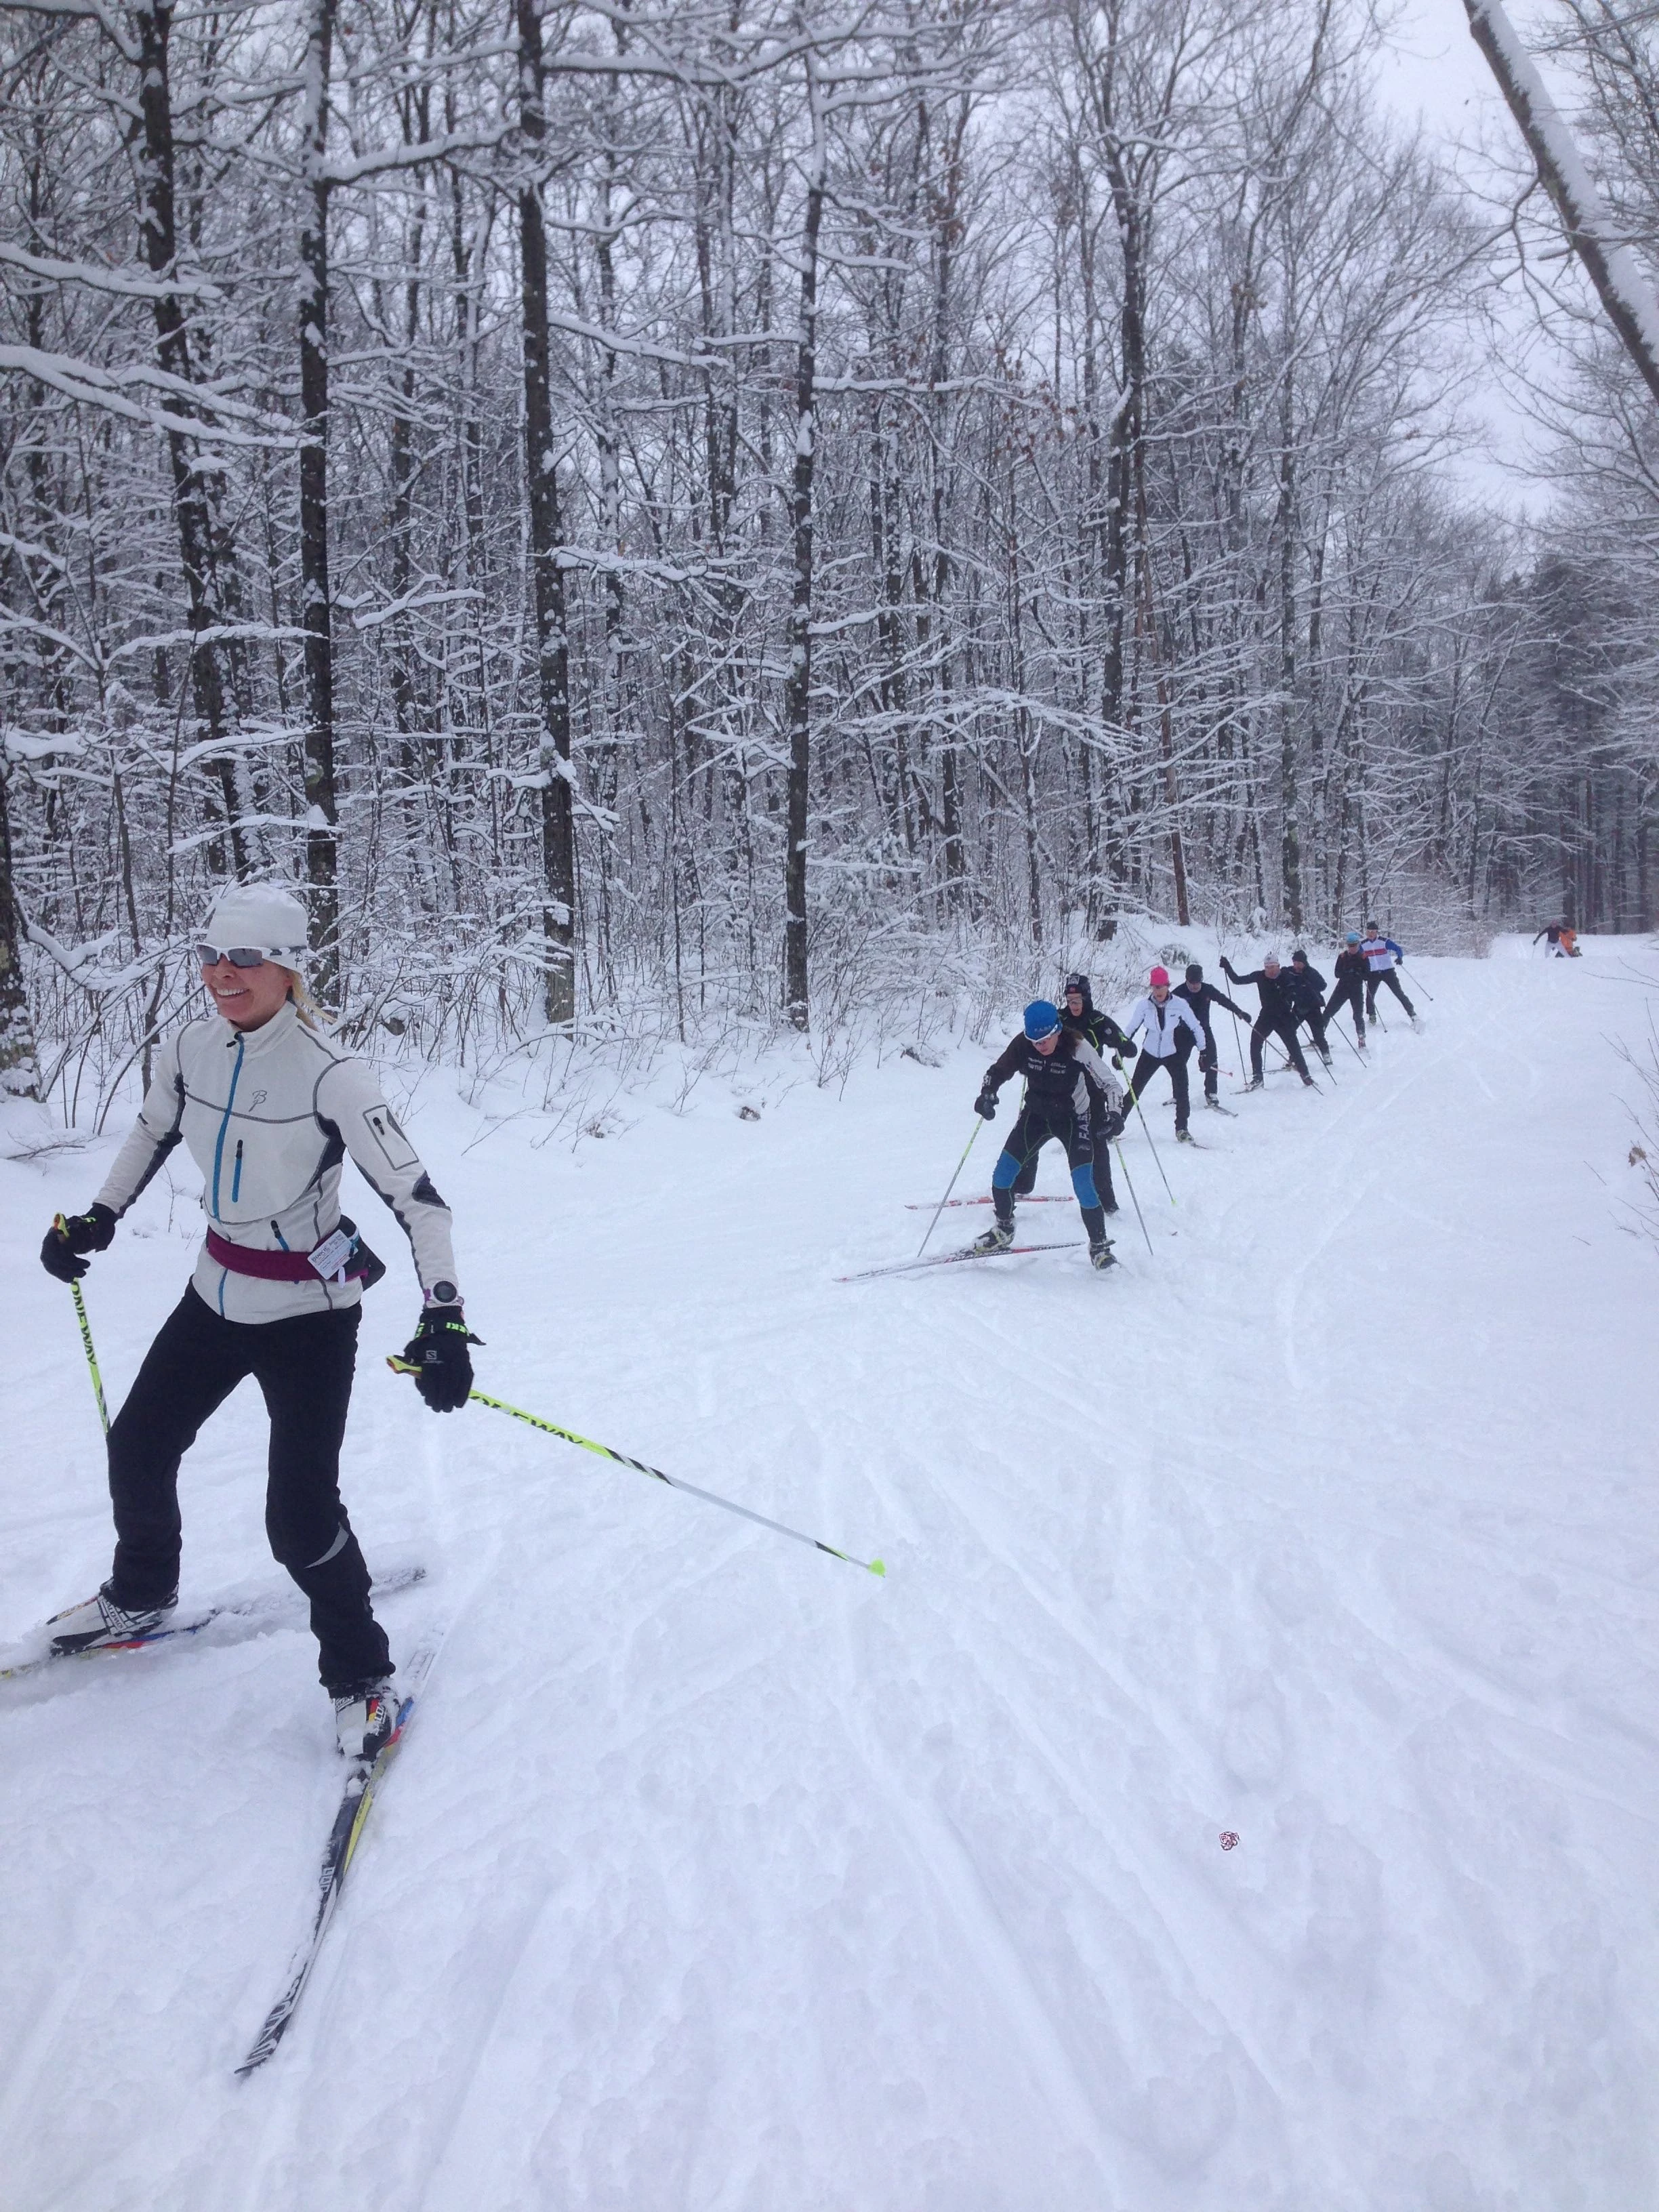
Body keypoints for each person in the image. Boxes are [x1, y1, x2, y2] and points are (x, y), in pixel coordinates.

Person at [37, 884, 477, 1761]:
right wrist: (98, 1216)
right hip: (215, 1293)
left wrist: (446, 1321)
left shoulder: (333, 1075)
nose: (221, 975)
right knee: (139, 1445)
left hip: (311, 1316)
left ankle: (362, 1680)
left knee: (299, 1516)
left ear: (288, 967)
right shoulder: (191, 1048)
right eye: (210, 955)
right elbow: (150, 1131)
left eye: (244, 958)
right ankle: (141, 1591)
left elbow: (421, 1204)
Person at [974, 1000, 1124, 1269]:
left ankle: (1099, 1246)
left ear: (1057, 1031)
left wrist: (1114, 1115)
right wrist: (987, 1093)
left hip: (1073, 1119)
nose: (1039, 1046)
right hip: (1037, 1115)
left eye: (1044, 1040)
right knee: (1001, 1176)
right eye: (1034, 1040)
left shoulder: (1077, 1046)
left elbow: (1111, 1084)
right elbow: (997, 1071)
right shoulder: (1024, 1044)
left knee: (1084, 1186)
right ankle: (1004, 1229)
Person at [1022, 972, 1134, 1212]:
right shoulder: (1059, 1019)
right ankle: (1023, 1183)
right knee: (1031, 1129)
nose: (1072, 1005)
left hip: (1092, 1090)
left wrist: (1122, 1046)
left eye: (1077, 1001)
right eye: (1069, 1000)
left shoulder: (1097, 1021)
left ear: (1086, 998)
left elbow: (1125, 1042)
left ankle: (1107, 1201)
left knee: (1098, 1142)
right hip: (1056, 1085)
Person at [1120, 966, 1207, 1141]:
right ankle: (1116, 1125)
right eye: (1155, 987)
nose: (1158, 991)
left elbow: (1196, 1027)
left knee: (1182, 1091)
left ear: (1168, 986)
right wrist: (1120, 1051)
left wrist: (1203, 1051)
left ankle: (1182, 1129)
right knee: (1134, 1090)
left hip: (1172, 1052)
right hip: (1150, 1053)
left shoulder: (1180, 1004)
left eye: (1161, 987)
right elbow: (1130, 1029)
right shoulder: (1144, 1006)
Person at [1219, 952, 1316, 1089]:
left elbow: (1299, 991)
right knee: (1255, 1044)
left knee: (1293, 1047)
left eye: (1273, 967)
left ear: (1278, 966)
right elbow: (1237, 980)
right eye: (1267, 967)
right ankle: (1258, 1078)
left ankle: (1305, 1075)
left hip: (1284, 1017)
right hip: (1267, 1016)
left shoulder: (1286, 976)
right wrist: (1227, 966)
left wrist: (1292, 995)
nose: (1270, 970)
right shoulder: (1260, 976)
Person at [1172, 962, 1250, 1110]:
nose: (1195, 986)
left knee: (1212, 1060)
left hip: (1204, 1030)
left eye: (1198, 983)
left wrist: (1239, 1012)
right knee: (1178, 1063)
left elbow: (1224, 1000)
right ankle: (1178, 1094)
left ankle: (1211, 1093)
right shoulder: (1178, 993)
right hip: (1184, 1032)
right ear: (1186, 980)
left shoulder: (1208, 990)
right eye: (1192, 983)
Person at [1359, 922, 1418, 1025]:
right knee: (1370, 995)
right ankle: (1372, 1016)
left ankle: (1412, 1013)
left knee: (1398, 993)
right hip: (1373, 973)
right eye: (1368, 932)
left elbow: (1398, 949)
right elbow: (1358, 958)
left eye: (1373, 932)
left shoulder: (1384, 942)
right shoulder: (1363, 945)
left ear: (1377, 932)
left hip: (1388, 971)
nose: (1370, 934)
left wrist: (1400, 958)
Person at [1285, 949, 1331, 1067]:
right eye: (1294, 963)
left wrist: (1310, 983)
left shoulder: (1311, 972)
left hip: (1313, 1008)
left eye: (1298, 963)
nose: (1295, 965)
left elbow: (1323, 985)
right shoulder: (1291, 972)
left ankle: (1326, 1054)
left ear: (1304, 962)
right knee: (1289, 1031)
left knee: (1318, 1034)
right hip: (1298, 1007)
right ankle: (1294, 1056)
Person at [1324, 934, 1369, 1049]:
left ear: (1358, 945)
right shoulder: (1342, 957)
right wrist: (1347, 972)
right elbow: (1337, 973)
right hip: (1342, 988)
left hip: (1356, 990)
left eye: (1354, 945)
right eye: (1350, 946)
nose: (1352, 948)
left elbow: (1368, 975)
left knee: (1358, 1015)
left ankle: (1361, 1037)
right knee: (1328, 1012)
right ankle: (1319, 1035)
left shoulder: (1363, 957)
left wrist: (1358, 973)